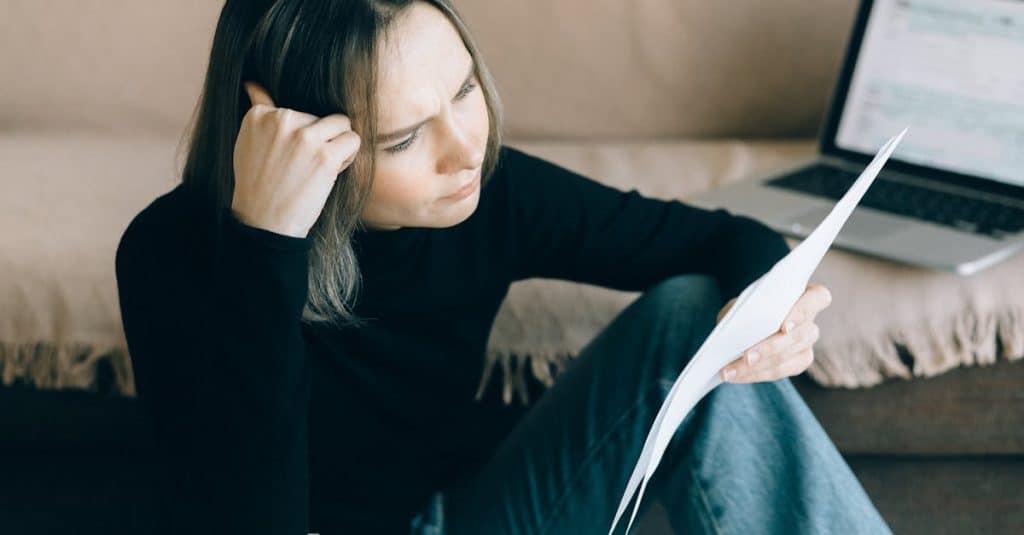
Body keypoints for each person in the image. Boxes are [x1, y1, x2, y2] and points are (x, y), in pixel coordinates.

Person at [114, 1, 892, 533]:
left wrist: (776, 312)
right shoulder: (170, 257)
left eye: (463, 91)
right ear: (285, 133)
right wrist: (268, 248)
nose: (465, 150)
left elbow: (720, 241)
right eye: (403, 138)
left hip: (456, 516)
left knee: (691, 315)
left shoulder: (489, 189)